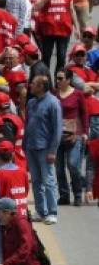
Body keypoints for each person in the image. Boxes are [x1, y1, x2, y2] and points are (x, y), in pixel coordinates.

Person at [25, 75, 62, 224]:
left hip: (45, 149)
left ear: (41, 86)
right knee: (36, 181)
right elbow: (27, 125)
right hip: (31, 147)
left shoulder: (53, 103)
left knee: (48, 181)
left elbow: (57, 128)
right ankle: (41, 211)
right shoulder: (31, 103)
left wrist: (53, 150)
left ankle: (52, 212)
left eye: (33, 84)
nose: (30, 86)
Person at [53, 68, 88, 206]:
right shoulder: (54, 94)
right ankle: (64, 195)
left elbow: (84, 114)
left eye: (61, 78)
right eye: (57, 78)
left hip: (75, 135)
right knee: (59, 168)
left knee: (73, 165)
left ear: (68, 80)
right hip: (57, 135)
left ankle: (78, 193)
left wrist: (85, 132)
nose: (58, 81)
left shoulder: (78, 95)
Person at [35, 0, 79, 74]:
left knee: (61, 57)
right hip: (48, 31)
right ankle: (46, 82)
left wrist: (77, 28)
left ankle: (59, 83)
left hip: (64, 30)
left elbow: (72, 10)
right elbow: (36, 7)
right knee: (46, 57)